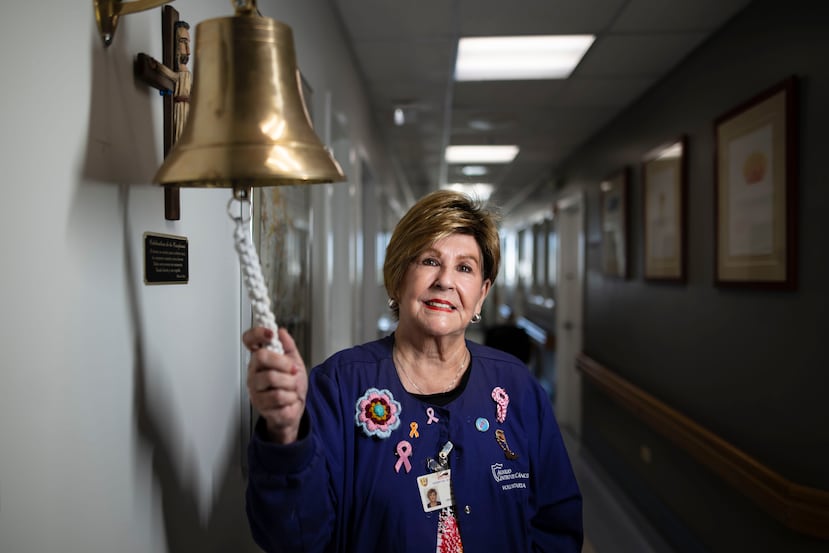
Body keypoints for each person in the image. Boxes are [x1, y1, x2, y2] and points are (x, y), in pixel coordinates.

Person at [243, 190, 583, 552]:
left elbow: (557, 524)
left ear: (482, 293)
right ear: (398, 276)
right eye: (429, 261)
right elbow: (294, 538)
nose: (445, 281)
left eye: (464, 267)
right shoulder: (340, 385)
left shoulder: (516, 388)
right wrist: (285, 432)